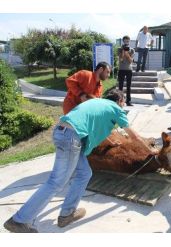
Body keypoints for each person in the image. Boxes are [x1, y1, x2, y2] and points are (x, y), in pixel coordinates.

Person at [3, 89, 157, 233]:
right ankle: (20, 220)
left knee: (84, 173)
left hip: (63, 133)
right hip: (71, 138)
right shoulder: (116, 109)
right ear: (120, 100)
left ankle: (67, 214)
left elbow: (99, 127)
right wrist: (151, 152)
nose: (123, 105)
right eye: (123, 102)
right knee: (56, 182)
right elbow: (134, 136)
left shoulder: (96, 103)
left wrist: (110, 141)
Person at [118, 35, 135, 106]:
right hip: (121, 69)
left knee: (128, 86)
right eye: (125, 41)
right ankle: (120, 101)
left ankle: (128, 101)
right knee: (120, 86)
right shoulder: (119, 49)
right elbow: (121, 59)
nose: (126, 42)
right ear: (123, 41)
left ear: (129, 41)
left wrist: (127, 53)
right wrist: (123, 51)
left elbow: (131, 61)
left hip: (129, 70)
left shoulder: (132, 50)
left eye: (127, 41)